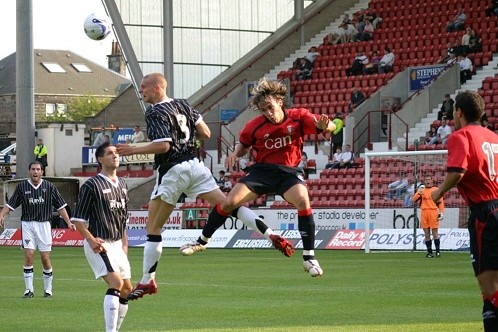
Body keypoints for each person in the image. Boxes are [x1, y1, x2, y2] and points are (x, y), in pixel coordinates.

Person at [116, 73, 293, 300]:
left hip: (173, 169)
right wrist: (186, 139)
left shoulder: (154, 112)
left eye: (144, 88)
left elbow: (163, 146)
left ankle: (147, 280)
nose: (141, 92)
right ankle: (270, 234)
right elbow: (206, 132)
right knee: (229, 205)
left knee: (153, 227)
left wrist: (133, 149)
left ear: (158, 88)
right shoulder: (184, 104)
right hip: (196, 165)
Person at [181, 78, 336, 277]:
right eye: (264, 110)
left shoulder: (298, 117)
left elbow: (327, 126)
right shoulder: (253, 126)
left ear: (280, 101)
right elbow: (244, 144)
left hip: (289, 172)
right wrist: (235, 154)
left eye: (270, 107)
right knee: (229, 202)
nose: (269, 113)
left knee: (303, 200)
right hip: (262, 171)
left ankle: (309, 257)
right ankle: (201, 242)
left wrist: (327, 125)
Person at [430, 91, 498, 331]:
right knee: (491, 289)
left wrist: (438, 193)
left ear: (459, 112)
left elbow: (457, 172)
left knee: (488, 285)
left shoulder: (460, 136)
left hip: (485, 214)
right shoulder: (493, 137)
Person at [72, 142, 132, 332]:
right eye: (109, 153)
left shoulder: (122, 184)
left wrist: (124, 243)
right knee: (116, 283)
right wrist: (90, 239)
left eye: (116, 153)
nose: (115, 156)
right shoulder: (92, 185)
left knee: (127, 289)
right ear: (100, 159)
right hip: (99, 243)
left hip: (117, 245)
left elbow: (123, 218)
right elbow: (78, 220)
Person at [0, 161, 75, 298]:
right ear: (29, 172)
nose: (35, 172)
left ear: (42, 172)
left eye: (38, 169)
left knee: (45, 258)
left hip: (44, 225)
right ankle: (29, 290)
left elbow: (60, 206)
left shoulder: (49, 187)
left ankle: (48, 289)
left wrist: (68, 222)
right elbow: (11, 204)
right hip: (28, 224)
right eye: (33, 169)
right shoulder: (22, 187)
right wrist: (1, 214)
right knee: (29, 255)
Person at [412, 176, 444, 258]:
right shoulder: (422, 190)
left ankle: (438, 252)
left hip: (433, 212)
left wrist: (441, 212)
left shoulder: (436, 189)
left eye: (429, 179)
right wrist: (419, 191)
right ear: (424, 181)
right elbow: (414, 200)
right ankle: (430, 252)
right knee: (426, 233)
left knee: (435, 233)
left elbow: (440, 202)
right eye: (426, 179)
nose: (428, 181)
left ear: (432, 181)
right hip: (424, 212)